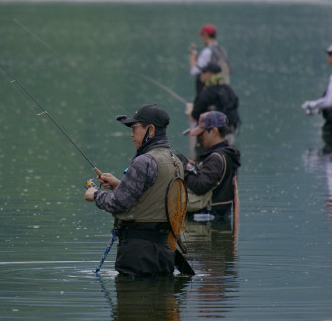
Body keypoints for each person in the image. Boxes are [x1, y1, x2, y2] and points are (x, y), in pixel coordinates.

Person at [84, 104, 184, 276]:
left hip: (138, 252)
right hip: (166, 250)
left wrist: (96, 195)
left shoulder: (144, 161)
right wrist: (119, 185)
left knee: (133, 300)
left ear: (150, 130)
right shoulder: (176, 161)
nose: (131, 134)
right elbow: (153, 197)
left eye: (135, 128)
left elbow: (118, 203)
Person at [185, 111, 241, 220]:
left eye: (202, 133)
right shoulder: (226, 154)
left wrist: (184, 167)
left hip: (207, 222)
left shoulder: (216, 158)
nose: (199, 137)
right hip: (219, 218)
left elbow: (200, 186)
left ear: (214, 131)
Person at [189, 62, 240, 144]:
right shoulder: (228, 90)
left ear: (210, 74)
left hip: (210, 138)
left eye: (204, 72)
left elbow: (195, 114)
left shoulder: (207, 93)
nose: (201, 74)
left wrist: (191, 112)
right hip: (228, 135)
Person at [189, 24, 230, 96]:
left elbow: (194, 71)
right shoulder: (222, 51)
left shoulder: (207, 52)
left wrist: (192, 58)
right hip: (222, 91)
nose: (202, 38)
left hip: (207, 93)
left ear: (206, 35)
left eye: (202, 35)